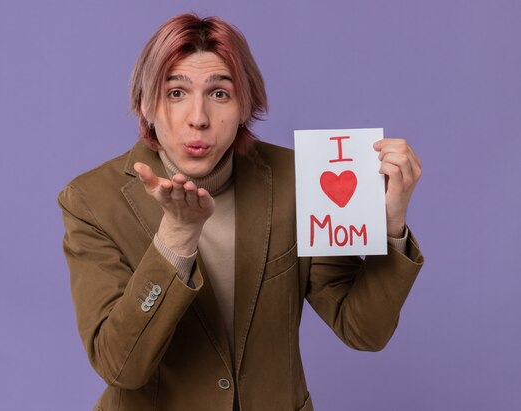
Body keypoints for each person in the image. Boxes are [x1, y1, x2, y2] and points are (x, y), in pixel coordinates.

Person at [58, 13, 424, 411]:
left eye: (219, 94)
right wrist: (176, 238)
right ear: (145, 103)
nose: (198, 118)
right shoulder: (91, 200)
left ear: (245, 105)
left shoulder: (300, 180)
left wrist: (390, 225)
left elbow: (363, 330)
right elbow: (120, 366)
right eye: (175, 93)